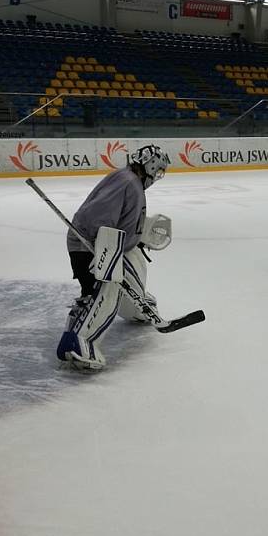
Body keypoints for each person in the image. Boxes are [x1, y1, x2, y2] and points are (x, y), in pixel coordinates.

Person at [58, 145, 172, 370]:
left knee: (133, 269)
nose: (157, 176)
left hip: (108, 245)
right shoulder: (128, 182)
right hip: (91, 248)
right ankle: (79, 342)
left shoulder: (130, 181)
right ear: (149, 165)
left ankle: (138, 308)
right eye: (158, 170)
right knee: (106, 293)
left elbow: (123, 219)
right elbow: (97, 218)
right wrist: (103, 255)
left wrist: (140, 234)